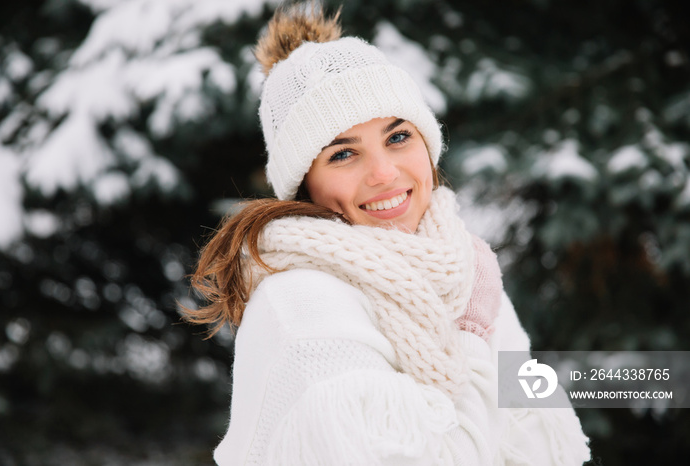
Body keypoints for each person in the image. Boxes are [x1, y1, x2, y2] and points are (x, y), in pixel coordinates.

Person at [182, 2, 591, 465]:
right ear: (303, 186)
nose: (383, 174)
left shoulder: (459, 267)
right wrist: (474, 339)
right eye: (342, 155)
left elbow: (544, 439)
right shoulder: (300, 302)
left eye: (397, 137)